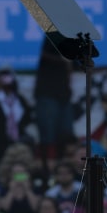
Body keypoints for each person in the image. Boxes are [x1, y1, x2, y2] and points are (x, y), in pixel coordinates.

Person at [33, 37, 74, 171]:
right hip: (47, 94)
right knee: (48, 134)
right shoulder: (53, 35)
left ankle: (64, 167)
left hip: (64, 96)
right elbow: (44, 55)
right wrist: (63, 59)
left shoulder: (76, 38)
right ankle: (47, 168)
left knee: (66, 134)